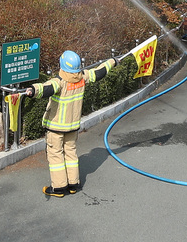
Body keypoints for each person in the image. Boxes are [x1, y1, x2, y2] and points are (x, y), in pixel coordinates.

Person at [26, 48, 121, 197]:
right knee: (71, 153)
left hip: (56, 127)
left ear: (62, 65)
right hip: (72, 126)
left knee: (56, 155)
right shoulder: (83, 77)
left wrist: (32, 90)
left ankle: (58, 188)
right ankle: (73, 184)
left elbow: (46, 88)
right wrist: (113, 61)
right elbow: (99, 72)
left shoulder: (60, 82)